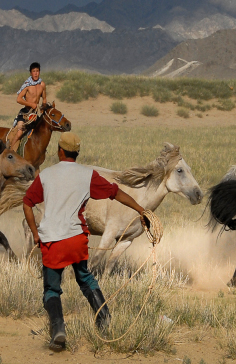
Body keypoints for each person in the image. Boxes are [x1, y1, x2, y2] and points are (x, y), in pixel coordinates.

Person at [23, 132, 149, 351]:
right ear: (77, 152)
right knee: (85, 278)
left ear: (59, 151)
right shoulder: (87, 175)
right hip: (76, 238)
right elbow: (115, 193)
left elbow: (27, 202)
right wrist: (141, 210)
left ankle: (58, 330)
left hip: (52, 240)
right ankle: (105, 319)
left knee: (52, 289)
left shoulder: (46, 175)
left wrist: (35, 232)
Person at [10, 62, 47, 152]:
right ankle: (9, 150)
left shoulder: (42, 85)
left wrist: (43, 108)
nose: (35, 73)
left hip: (35, 113)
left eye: (37, 71)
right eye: (33, 71)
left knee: (43, 130)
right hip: (25, 113)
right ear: (30, 73)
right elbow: (18, 99)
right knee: (19, 133)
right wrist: (31, 104)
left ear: (39, 72)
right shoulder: (27, 85)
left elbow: (44, 99)